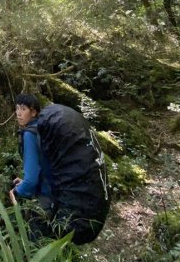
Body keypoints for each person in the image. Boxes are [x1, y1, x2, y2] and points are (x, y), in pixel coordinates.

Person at [9, 93, 110, 245]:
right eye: (17, 108)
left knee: (35, 246)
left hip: (48, 200)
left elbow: (30, 181)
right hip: (59, 194)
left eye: (23, 109)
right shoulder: (46, 131)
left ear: (34, 112)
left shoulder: (30, 134)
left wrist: (16, 192)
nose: (18, 113)